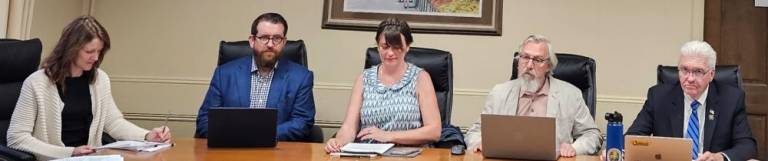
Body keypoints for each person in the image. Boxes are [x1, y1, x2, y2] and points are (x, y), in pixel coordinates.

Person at [6, 16, 171, 160]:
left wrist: (147, 135)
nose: (96, 57)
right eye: (89, 51)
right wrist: (69, 153)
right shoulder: (37, 83)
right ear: (71, 49)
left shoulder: (100, 80)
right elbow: (17, 138)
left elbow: (113, 123)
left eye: (99, 51)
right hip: (57, 158)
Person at [463, 35, 601, 157]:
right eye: (525, 57)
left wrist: (574, 148)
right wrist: (480, 142)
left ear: (548, 66)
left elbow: (592, 135)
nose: (529, 65)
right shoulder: (499, 93)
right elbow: (474, 132)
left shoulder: (570, 95)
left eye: (537, 60)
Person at [623, 41, 756, 161]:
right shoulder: (659, 97)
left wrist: (719, 157)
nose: (690, 78)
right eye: (685, 70)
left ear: (711, 74)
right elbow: (632, 138)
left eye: (698, 71)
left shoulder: (731, 99)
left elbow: (747, 145)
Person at [324, 17, 441, 153]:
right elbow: (349, 127)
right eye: (385, 47)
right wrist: (339, 141)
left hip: (409, 154)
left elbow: (434, 131)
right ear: (378, 46)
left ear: (408, 46)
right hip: (369, 153)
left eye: (397, 47)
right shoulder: (364, 79)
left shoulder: (420, 78)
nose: (390, 53)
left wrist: (389, 136)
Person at [194, 12, 315, 141]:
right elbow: (205, 120)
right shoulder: (224, 74)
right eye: (264, 37)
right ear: (252, 41)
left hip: (277, 150)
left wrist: (258, 135)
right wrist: (238, 137)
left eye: (277, 38)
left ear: (284, 42)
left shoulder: (301, 77)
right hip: (231, 149)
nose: (270, 44)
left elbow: (302, 122)